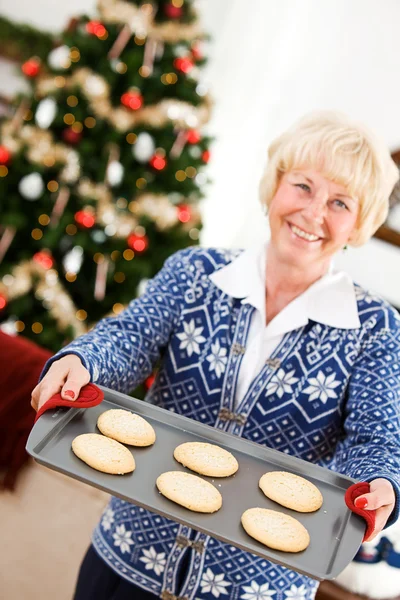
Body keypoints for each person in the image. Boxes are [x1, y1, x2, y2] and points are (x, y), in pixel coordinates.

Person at [31, 111, 400, 600]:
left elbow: (378, 437)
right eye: (303, 186)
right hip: (127, 559)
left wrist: (381, 483)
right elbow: (131, 337)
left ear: (360, 223)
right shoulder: (195, 272)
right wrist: (84, 361)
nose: (313, 213)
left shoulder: (376, 328)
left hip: (258, 589)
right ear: (275, 186)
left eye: (339, 202)